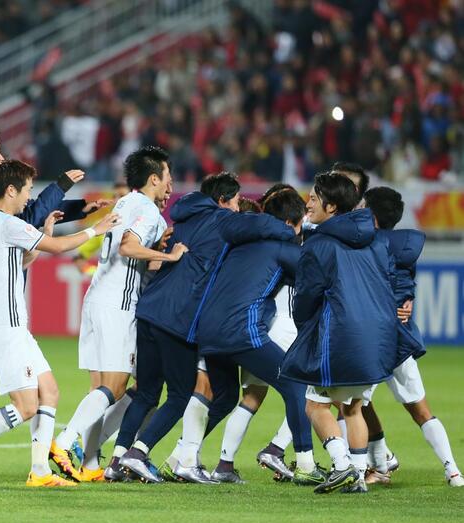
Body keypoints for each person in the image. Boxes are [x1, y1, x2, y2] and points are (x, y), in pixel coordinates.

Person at [0, 129, 109, 483]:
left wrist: (46, 225)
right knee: (26, 405)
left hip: (14, 326)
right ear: (10, 190)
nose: (29, 196)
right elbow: (59, 249)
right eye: (28, 190)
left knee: (50, 391)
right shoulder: (4, 221)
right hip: (7, 327)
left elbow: (20, 259)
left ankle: (39, 470)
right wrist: (96, 230)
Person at [51, 146, 186, 482]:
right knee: (116, 386)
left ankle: (92, 462)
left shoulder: (125, 202)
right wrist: (171, 257)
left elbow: (127, 249)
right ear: (154, 178)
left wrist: (155, 249)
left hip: (97, 296)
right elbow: (128, 245)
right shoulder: (148, 211)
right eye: (167, 178)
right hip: (119, 304)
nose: (170, 185)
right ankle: (66, 442)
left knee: (102, 386)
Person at [280, 173, 422, 494]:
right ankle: (358, 476)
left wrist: (305, 326)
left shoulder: (320, 244)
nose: (308, 203)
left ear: (331, 207)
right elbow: (391, 280)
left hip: (340, 336)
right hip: (377, 338)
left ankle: (341, 465)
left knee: (315, 406)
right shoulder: (375, 240)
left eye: (314, 198)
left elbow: (306, 296)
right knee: (355, 405)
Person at [171, 187, 322, 485]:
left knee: (224, 397)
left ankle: (181, 458)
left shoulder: (239, 244)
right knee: (295, 385)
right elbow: (314, 278)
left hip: (208, 331)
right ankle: (305, 464)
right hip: (242, 329)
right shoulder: (283, 247)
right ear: (292, 223)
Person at [109, 172, 239, 483]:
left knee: (147, 392)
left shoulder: (184, 219)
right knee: (181, 393)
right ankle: (138, 453)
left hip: (150, 310)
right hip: (177, 318)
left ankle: (116, 460)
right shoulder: (222, 226)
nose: (237, 210)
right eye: (234, 203)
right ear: (222, 202)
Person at [360, 187, 463, 487]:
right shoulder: (406, 246)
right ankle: (453, 471)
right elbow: (405, 283)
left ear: (371, 213)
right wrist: (407, 299)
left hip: (371, 338)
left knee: (350, 405)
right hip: (400, 339)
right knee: (421, 410)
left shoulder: (363, 245)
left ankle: (363, 468)